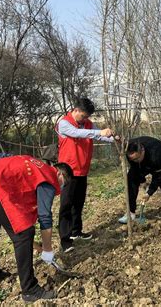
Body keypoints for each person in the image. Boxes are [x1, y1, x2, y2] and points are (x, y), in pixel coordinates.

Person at [0, 152, 73, 302]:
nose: (62, 188)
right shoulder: (49, 178)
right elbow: (45, 218)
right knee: (24, 233)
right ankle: (30, 290)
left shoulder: (31, 161)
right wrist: (48, 249)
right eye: (65, 183)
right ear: (60, 174)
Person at [56, 98, 115, 253]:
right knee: (66, 205)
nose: (85, 119)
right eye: (83, 116)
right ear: (75, 110)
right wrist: (98, 132)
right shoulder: (64, 123)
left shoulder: (88, 124)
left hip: (82, 169)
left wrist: (112, 138)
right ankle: (65, 239)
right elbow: (77, 133)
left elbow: (98, 136)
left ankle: (76, 231)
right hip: (67, 171)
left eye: (87, 117)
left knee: (79, 202)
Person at [120, 136, 161, 234]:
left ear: (142, 150)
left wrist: (149, 193)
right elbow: (135, 167)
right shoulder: (128, 151)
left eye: (137, 158)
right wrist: (142, 181)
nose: (136, 161)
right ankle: (131, 213)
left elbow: (157, 177)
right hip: (145, 160)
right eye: (133, 159)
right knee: (131, 179)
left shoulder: (156, 154)